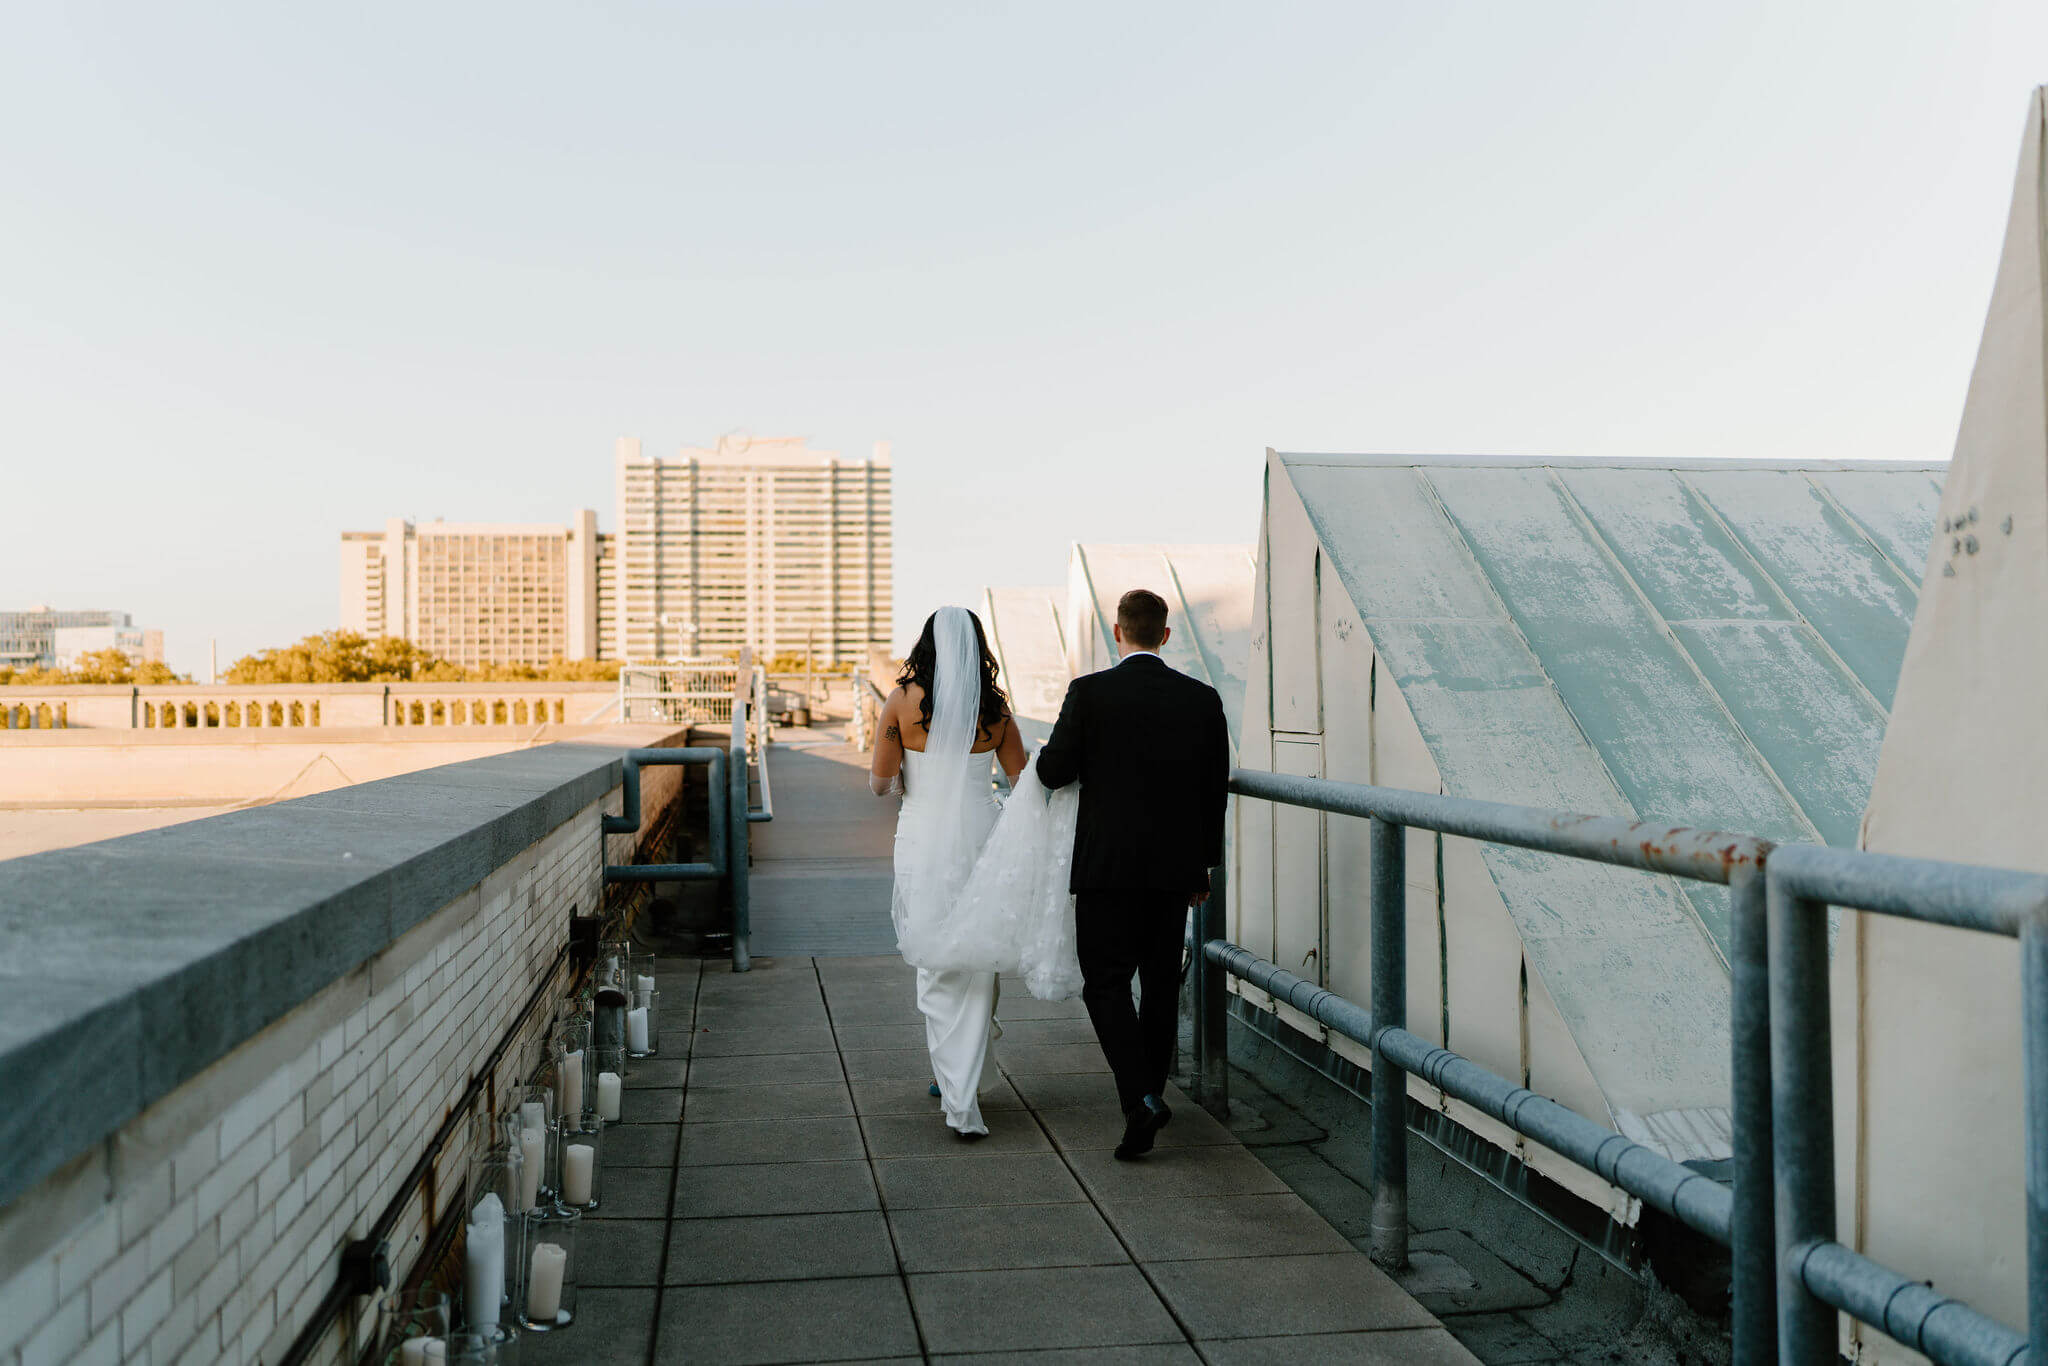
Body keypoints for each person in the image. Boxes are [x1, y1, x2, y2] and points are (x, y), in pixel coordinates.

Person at [1037, 587, 1230, 1159]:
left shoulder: (1089, 693)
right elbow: (1211, 791)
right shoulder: (1201, 699)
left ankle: (1140, 1098)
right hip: (1173, 871)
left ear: (1116, 633)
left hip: (1107, 867)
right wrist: (1203, 865)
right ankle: (1145, 1096)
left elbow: (1051, 773)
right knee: (1161, 987)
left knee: (1105, 982)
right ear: (1166, 636)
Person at [869, 606, 1026, 1137]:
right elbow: (1022, 779)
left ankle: (959, 1099)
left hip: (921, 839)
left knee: (936, 960)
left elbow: (878, 783)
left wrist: (914, 777)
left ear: (927, 645)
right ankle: (966, 1073)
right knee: (979, 955)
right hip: (982, 838)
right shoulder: (996, 710)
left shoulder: (900, 703)